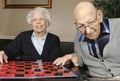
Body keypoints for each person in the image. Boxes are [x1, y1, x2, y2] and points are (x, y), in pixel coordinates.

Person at [53, 1, 120, 80]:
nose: (88, 31)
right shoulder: (78, 34)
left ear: (99, 16)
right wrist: (73, 56)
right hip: (93, 78)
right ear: (76, 24)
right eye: (81, 26)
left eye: (91, 22)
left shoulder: (118, 26)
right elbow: (81, 58)